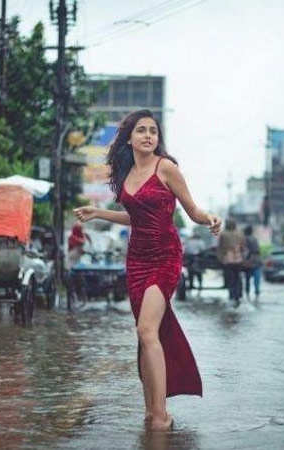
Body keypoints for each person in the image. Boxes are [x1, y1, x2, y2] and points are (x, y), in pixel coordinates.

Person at [73, 109, 221, 431]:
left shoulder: (165, 168)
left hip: (165, 257)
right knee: (145, 335)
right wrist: (99, 212)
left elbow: (191, 210)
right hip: (136, 260)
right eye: (141, 130)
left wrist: (209, 218)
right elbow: (135, 218)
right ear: (130, 137)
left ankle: (161, 415)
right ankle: (150, 409)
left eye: (153, 131)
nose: (148, 136)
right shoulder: (126, 175)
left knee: (146, 330)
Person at [218, 218, 245, 304]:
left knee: (230, 278)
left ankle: (232, 295)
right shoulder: (240, 233)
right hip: (238, 258)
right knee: (237, 277)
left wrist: (220, 258)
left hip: (228, 259)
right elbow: (243, 247)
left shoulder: (223, 234)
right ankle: (238, 295)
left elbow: (220, 248)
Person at [242, 225, 262, 298]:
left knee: (247, 279)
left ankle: (247, 292)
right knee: (256, 279)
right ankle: (257, 292)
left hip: (248, 263)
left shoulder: (244, 240)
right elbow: (258, 250)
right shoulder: (255, 239)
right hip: (257, 262)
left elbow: (245, 251)